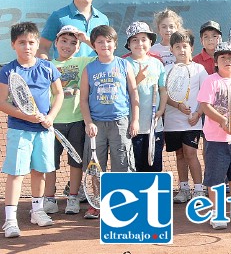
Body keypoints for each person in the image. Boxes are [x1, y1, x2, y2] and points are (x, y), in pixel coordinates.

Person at [0, 22, 64, 238]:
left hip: (44, 130)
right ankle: (10, 220)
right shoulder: (8, 70)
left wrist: (51, 117)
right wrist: (25, 116)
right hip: (20, 130)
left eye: (31, 42)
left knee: (40, 171)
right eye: (21, 43)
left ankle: (37, 211)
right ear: (13, 45)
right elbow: (1, 102)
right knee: (16, 174)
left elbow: (59, 94)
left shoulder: (47, 68)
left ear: (37, 44)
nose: (26, 46)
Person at [79, 25, 139, 219]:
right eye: (100, 42)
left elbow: (133, 93)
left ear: (115, 44)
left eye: (109, 41)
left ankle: (121, 202)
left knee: (123, 163)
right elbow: (83, 99)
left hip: (120, 123)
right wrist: (88, 122)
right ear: (94, 45)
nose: (105, 45)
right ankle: (97, 202)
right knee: (96, 165)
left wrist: (135, 120)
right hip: (96, 124)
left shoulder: (124, 65)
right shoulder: (89, 69)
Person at [197, 42, 231, 230]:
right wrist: (223, 121)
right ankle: (217, 212)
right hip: (215, 140)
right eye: (223, 58)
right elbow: (206, 106)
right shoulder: (210, 81)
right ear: (216, 62)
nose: (227, 61)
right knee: (216, 179)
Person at [43, 25, 93, 215]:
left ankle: (73, 197)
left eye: (73, 43)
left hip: (76, 121)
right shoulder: (46, 65)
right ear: (56, 43)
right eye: (64, 41)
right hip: (52, 123)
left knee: (76, 162)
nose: (68, 46)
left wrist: (85, 38)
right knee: (50, 162)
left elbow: (104, 54)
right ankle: (49, 198)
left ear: (79, 47)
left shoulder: (82, 63)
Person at [165, 30, 208, 203]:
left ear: (191, 48)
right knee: (179, 154)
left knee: (191, 153)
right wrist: (177, 105)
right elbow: (164, 95)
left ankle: (198, 189)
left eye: (185, 46)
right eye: (177, 47)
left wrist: (198, 113)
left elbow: (206, 96)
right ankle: (184, 188)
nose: (181, 50)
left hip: (193, 121)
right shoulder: (167, 69)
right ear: (171, 50)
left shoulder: (199, 69)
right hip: (172, 122)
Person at [124, 21, 167, 173]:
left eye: (143, 39)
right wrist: (137, 79)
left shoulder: (157, 64)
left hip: (154, 125)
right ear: (128, 44)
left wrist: (161, 110)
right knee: (135, 164)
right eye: (134, 40)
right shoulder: (124, 64)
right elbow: (123, 93)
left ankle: (153, 195)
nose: (139, 43)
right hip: (132, 126)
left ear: (150, 42)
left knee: (154, 164)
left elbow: (163, 89)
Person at [38, 0, 109, 60]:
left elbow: (106, 50)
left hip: (95, 73)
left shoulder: (103, 19)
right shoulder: (58, 17)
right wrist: (49, 69)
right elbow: (42, 48)